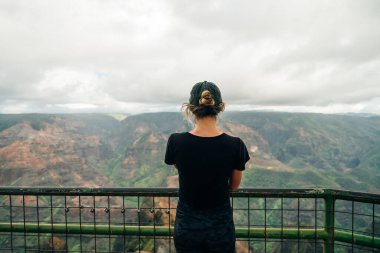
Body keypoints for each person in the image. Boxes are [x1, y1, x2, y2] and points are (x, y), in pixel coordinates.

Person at [165, 81, 250, 253]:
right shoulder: (236, 145)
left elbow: (181, 168)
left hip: (187, 225)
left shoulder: (176, 141)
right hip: (220, 226)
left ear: (191, 108)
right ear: (219, 108)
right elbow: (233, 186)